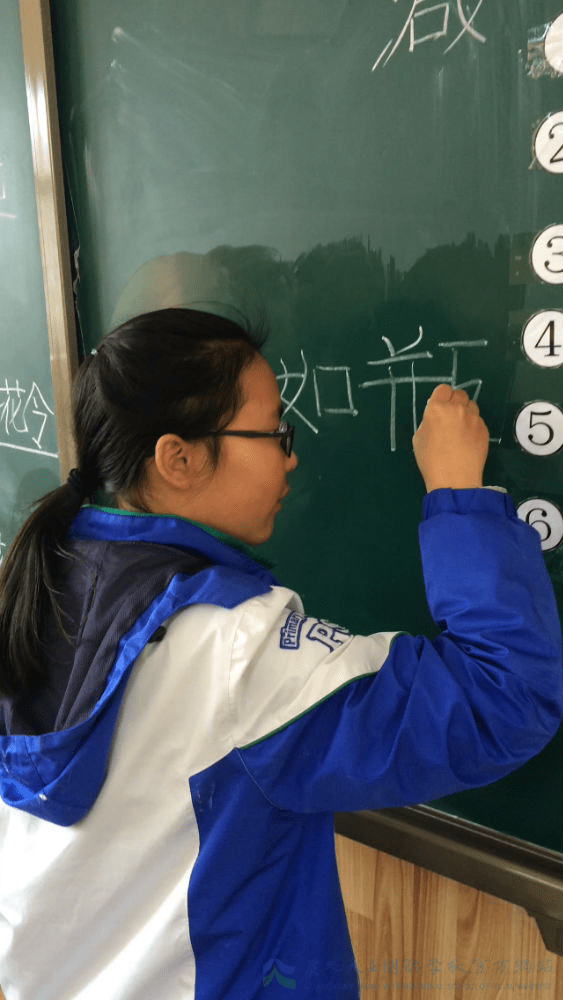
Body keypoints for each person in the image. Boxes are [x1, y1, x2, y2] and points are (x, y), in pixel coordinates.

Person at [0, 307, 561, 1000]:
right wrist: (459, 494)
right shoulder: (234, 651)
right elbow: (501, 698)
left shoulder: (41, 587)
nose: (291, 456)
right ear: (179, 459)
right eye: (273, 433)